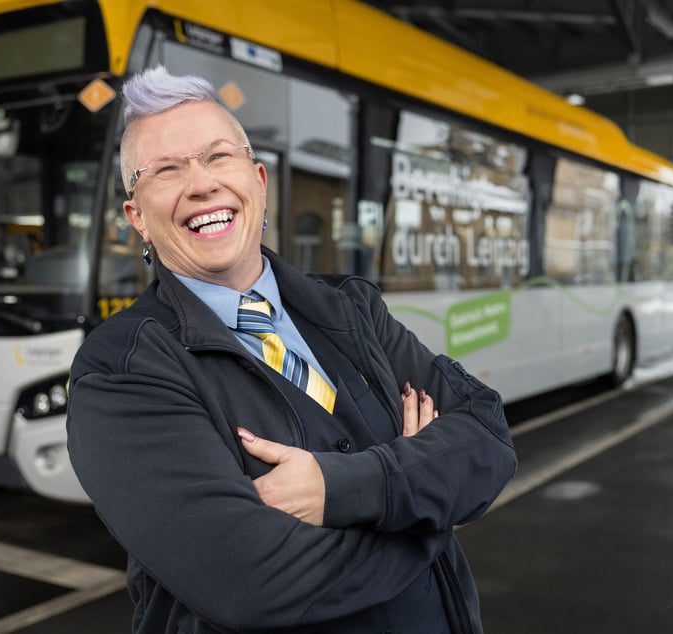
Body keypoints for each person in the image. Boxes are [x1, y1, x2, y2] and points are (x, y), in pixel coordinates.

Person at [66, 65, 517, 634]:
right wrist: (429, 514)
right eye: (166, 170)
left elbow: (488, 436)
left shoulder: (353, 308)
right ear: (138, 219)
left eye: (217, 156)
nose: (201, 183)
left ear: (258, 180)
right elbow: (249, 581)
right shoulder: (120, 370)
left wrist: (342, 488)